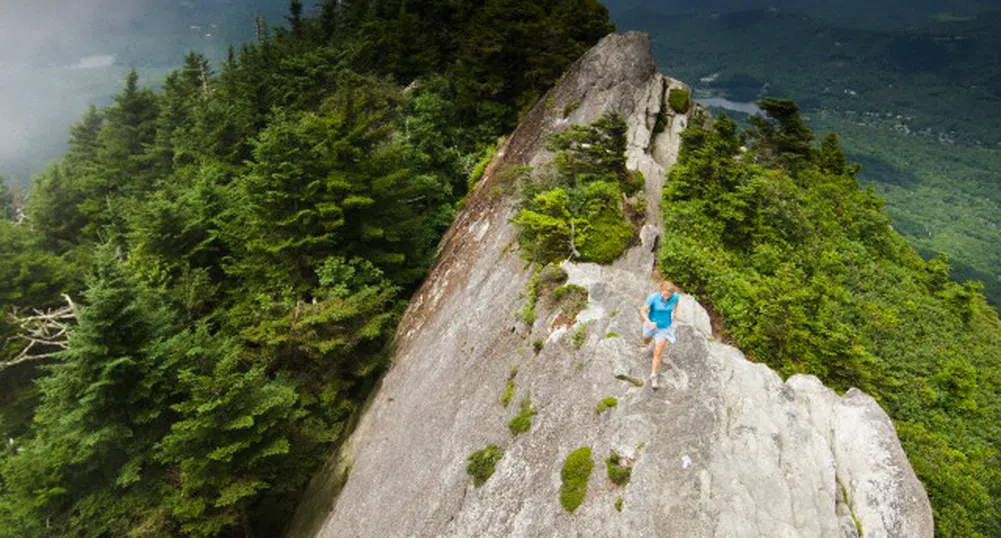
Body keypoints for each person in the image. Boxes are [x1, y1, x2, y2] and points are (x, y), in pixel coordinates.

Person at [640, 281, 680, 390]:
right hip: (651, 325)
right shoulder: (653, 298)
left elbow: (677, 302)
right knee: (646, 339)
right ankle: (647, 345)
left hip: (664, 328)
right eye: (665, 293)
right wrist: (649, 322)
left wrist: (675, 313)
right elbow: (643, 311)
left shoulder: (675, 297)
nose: (667, 296)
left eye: (669, 294)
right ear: (661, 290)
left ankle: (653, 375)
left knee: (658, 352)